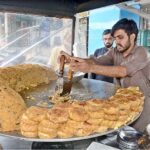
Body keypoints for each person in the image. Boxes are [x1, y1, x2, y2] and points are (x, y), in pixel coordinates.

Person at [59, 18, 150, 132]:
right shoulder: (115, 51)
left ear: (132, 37)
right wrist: (71, 59)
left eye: (120, 37)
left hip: (143, 107)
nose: (117, 42)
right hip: (122, 103)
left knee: (138, 139)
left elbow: (122, 71)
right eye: (115, 38)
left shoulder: (142, 53)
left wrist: (90, 68)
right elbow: (96, 61)